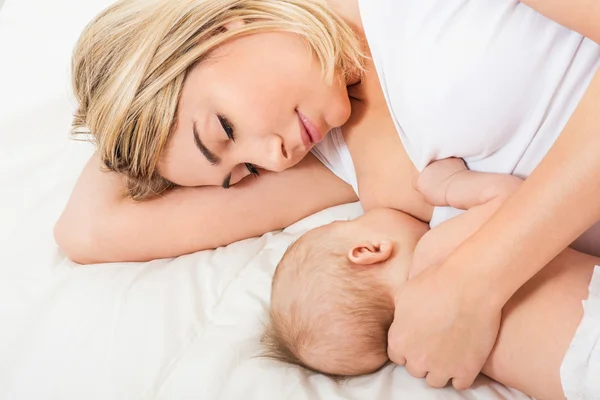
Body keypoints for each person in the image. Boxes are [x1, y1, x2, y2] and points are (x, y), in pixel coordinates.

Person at [54, 0, 600, 395]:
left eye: (223, 128)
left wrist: (476, 280)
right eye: (242, 169)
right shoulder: (329, 152)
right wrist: (127, 115)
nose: (272, 159)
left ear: (219, 29)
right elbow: (88, 231)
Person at [263, 158, 595, 400]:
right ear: (368, 249)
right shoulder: (432, 254)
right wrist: (451, 183)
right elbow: (516, 204)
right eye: (342, 224)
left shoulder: (443, 352)